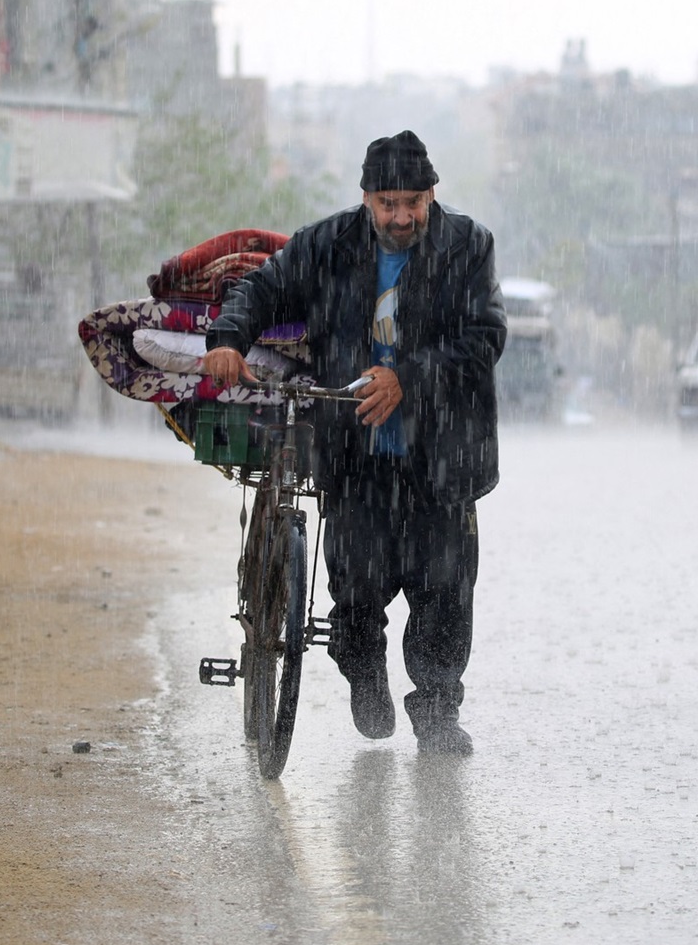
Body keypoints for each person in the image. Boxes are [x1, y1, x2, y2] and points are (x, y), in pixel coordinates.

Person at [202, 130, 506, 756]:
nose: (401, 218)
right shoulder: (327, 245)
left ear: (432, 195)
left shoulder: (469, 246)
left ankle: (437, 714)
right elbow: (260, 290)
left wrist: (409, 377)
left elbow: (484, 336)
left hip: (441, 455)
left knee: (444, 593)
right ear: (366, 198)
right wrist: (228, 338)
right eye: (388, 203)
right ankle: (364, 673)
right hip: (355, 455)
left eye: (413, 203)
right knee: (356, 590)